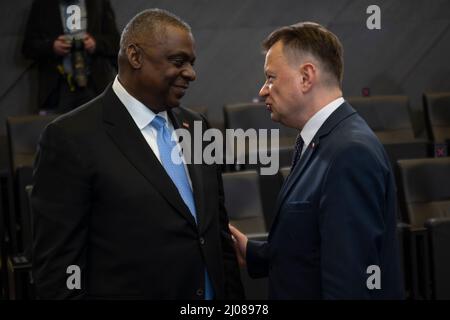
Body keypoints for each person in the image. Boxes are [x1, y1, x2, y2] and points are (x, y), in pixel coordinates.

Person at [31, 8, 244, 300]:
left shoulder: (196, 127)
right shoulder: (70, 138)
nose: (191, 74)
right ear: (135, 56)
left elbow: (217, 236)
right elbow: (59, 267)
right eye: (178, 61)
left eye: (192, 63)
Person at [229, 22, 404, 299]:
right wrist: (253, 253)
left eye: (271, 77)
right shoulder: (322, 140)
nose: (263, 90)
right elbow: (314, 246)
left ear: (306, 77)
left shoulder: (350, 153)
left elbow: (349, 284)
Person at [23, 0, 120, 114]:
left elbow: (116, 42)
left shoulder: (99, 3)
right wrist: (52, 46)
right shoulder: (42, 5)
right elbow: (28, 47)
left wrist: (96, 43)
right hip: (57, 90)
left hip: (95, 86)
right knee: (57, 130)